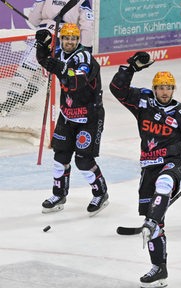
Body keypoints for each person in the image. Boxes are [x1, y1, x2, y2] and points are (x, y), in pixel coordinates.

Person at [109, 51, 181, 287]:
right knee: (156, 224)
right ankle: (159, 268)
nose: (165, 92)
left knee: (164, 184)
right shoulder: (143, 102)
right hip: (149, 166)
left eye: (169, 88)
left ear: (173, 89)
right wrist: (130, 68)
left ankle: (151, 221)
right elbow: (117, 89)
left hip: (175, 163)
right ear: (154, 89)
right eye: (161, 87)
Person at [35, 23, 108, 215]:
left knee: (83, 161)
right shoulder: (59, 53)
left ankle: (101, 194)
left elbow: (77, 80)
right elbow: (45, 60)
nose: (69, 42)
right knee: (60, 157)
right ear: (61, 39)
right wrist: (42, 45)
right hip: (67, 114)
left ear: (78, 40)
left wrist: (59, 67)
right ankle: (59, 194)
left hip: (89, 116)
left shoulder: (84, 57)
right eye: (66, 38)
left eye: (73, 39)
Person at [0, 0, 94, 115]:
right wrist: (87, 50)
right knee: (47, 67)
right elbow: (87, 26)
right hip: (64, 38)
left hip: (44, 33)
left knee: (27, 67)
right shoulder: (83, 1)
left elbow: (33, 19)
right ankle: (24, 95)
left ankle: (10, 101)